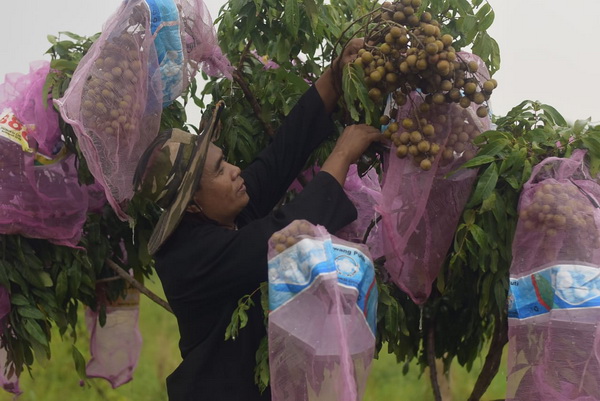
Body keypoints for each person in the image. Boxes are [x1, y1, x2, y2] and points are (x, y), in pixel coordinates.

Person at [134, 38, 383, 401]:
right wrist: (343, 153)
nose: (236, 171)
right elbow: (283, 230)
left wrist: (335, 73)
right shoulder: (188, 256)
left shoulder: (220, 216)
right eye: (220, 170)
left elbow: (280, 155)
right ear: (191, 206)